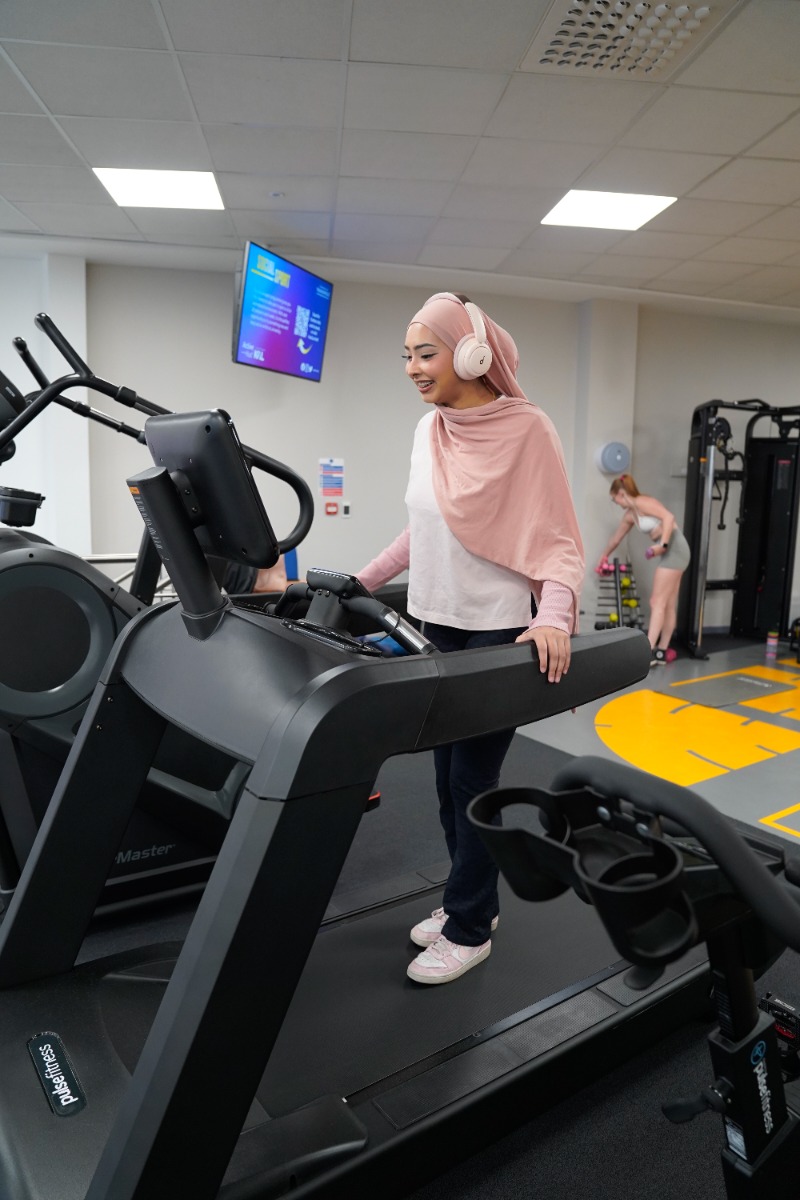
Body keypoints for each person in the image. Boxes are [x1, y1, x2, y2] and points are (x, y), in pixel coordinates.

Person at [355, 291, 584, 986]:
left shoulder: (529, 429)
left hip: (498, 631)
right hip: (432, 624)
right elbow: (424, 526)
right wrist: (360, 583)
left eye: (425, 353)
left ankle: (469, 925)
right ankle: (469, 899)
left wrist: (554, 615)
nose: (412, 368)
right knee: (442, 778)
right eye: (407, 356)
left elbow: (556, 534)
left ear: (472, 354)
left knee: (469, 780)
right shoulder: (430, 432)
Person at [597, 473, 691, 666]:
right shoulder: (630, 515)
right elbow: (616, 538)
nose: (614, 502)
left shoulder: (642, 502)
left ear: (621, 493)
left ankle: (648, 652)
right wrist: (603, 556)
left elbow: (668, 517)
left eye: (614, 497)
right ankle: (661, 652)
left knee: (657, 601)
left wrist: (662, 545)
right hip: (670, 551)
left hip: (675, 549)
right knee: (667, 604)